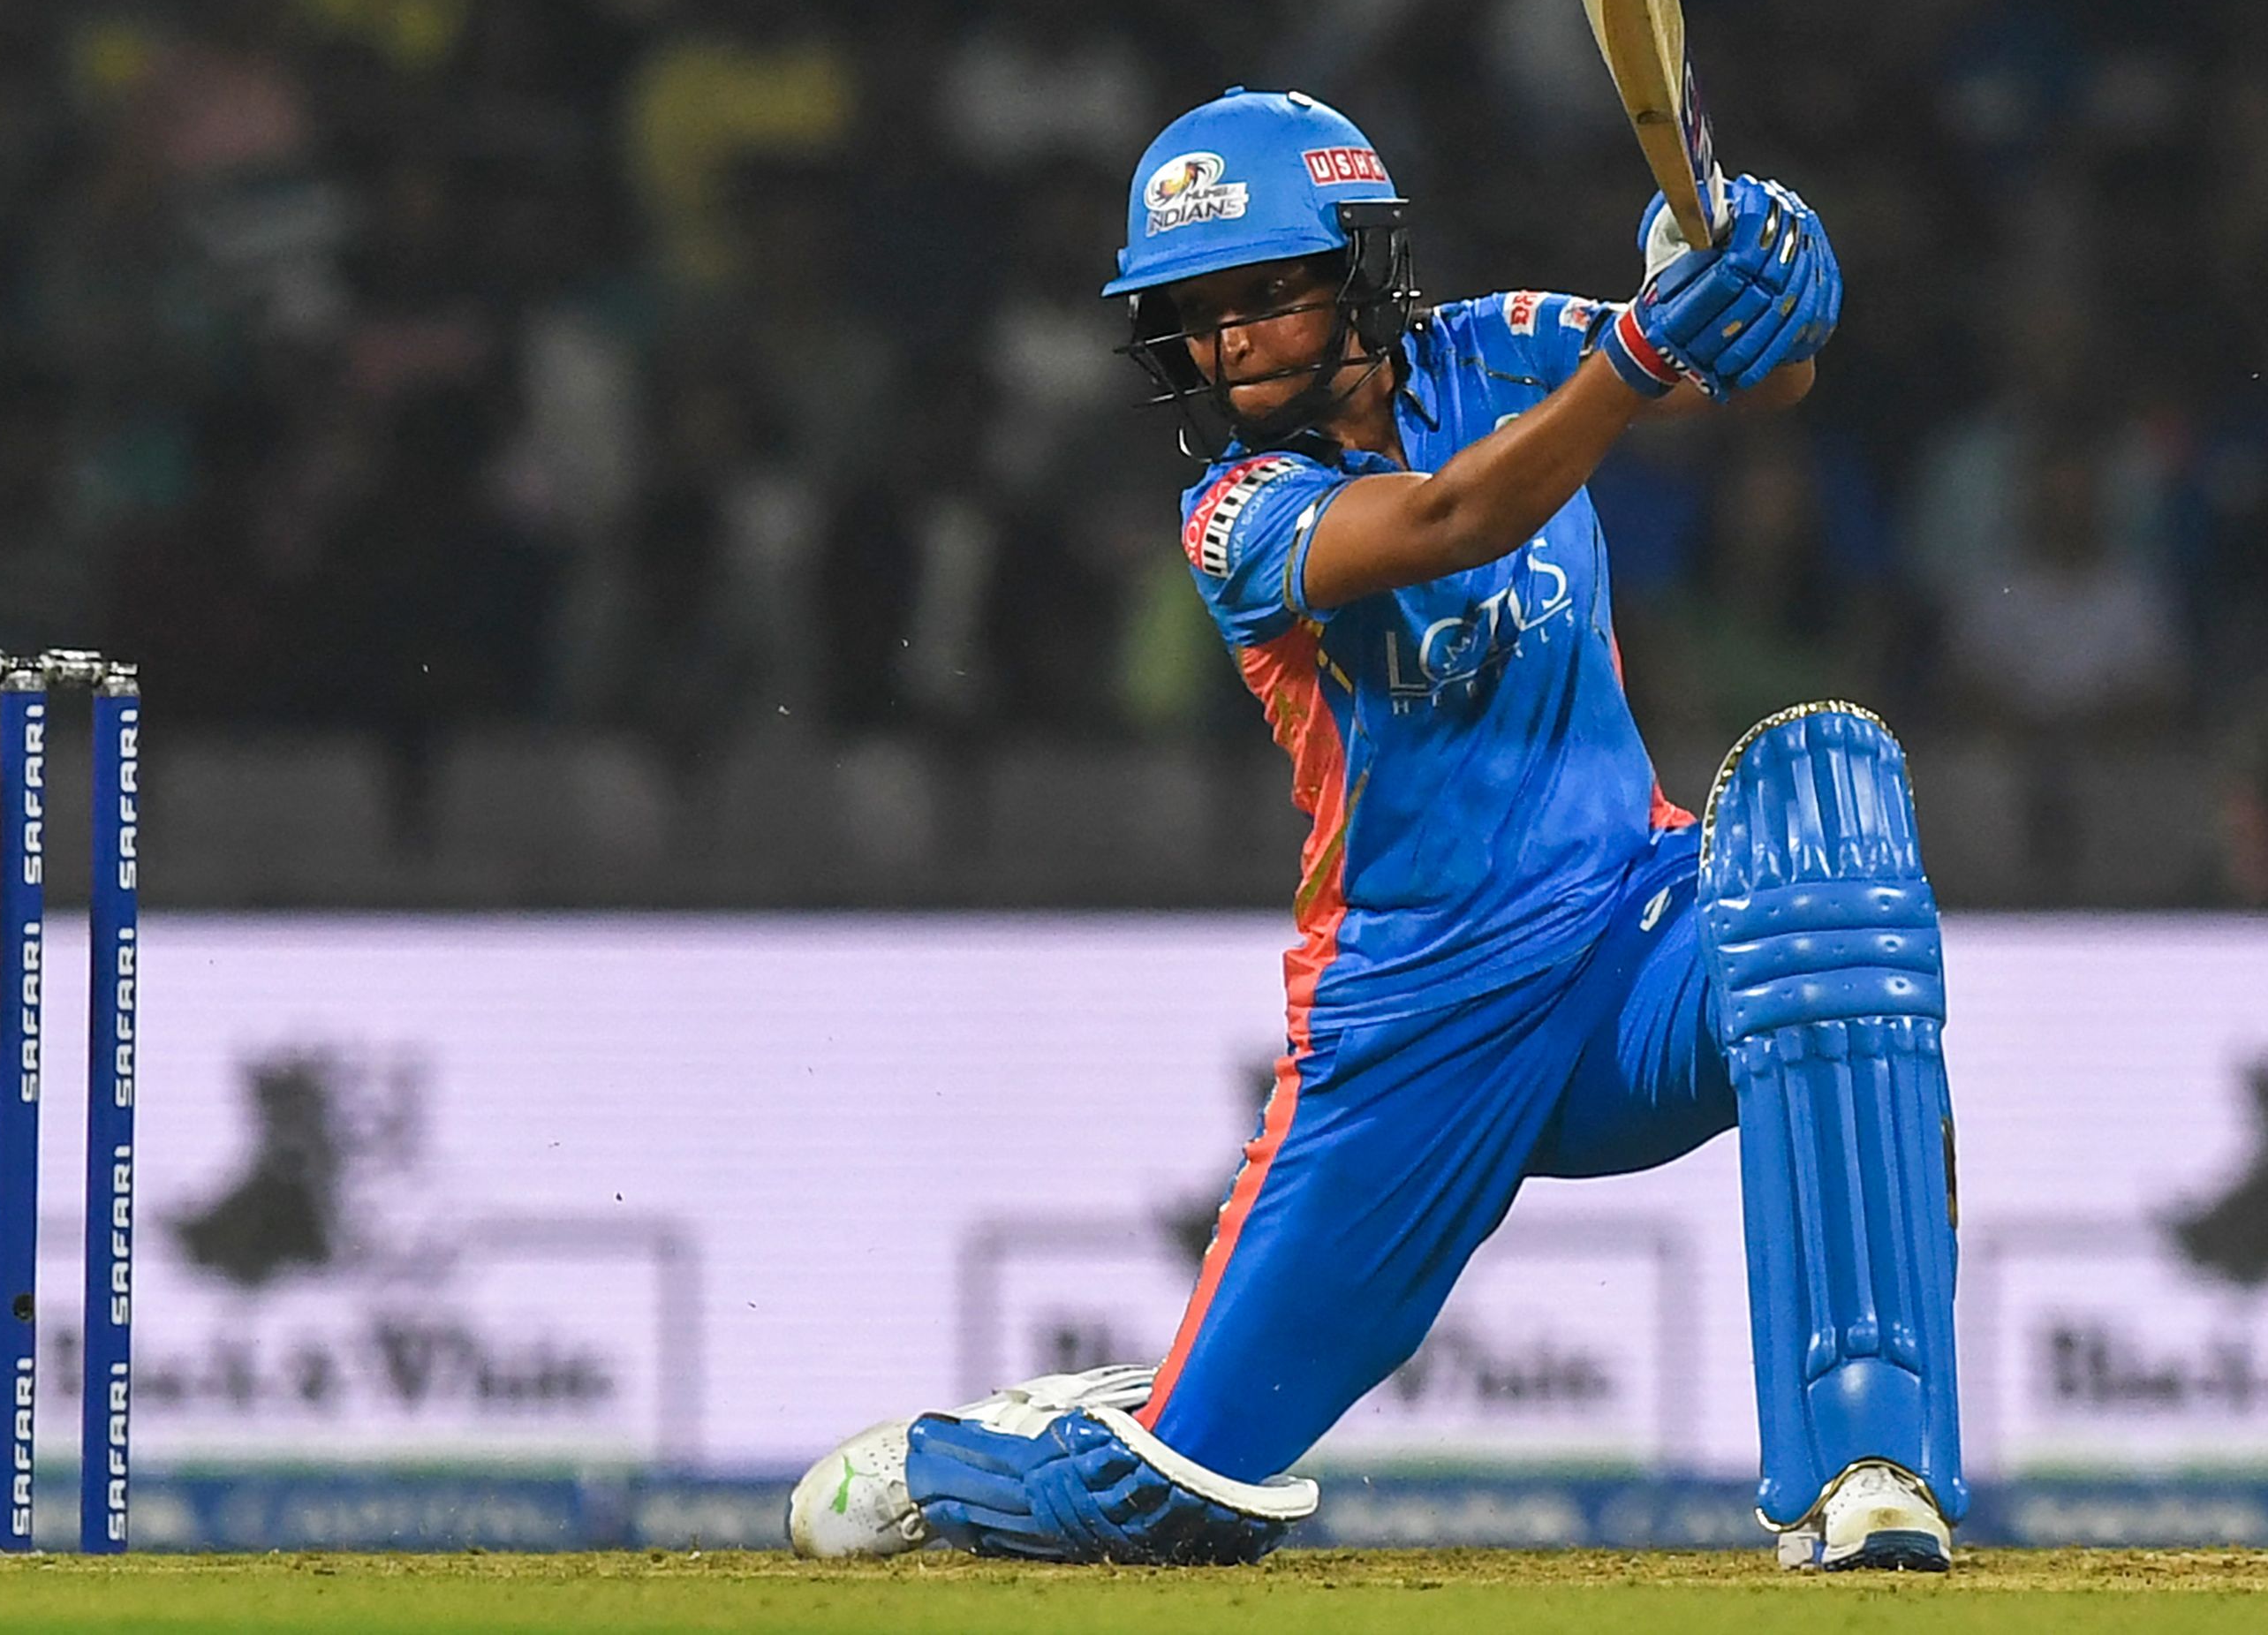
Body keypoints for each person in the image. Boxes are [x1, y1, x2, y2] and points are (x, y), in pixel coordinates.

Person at [789, 90, 1963, 1571]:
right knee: (1174, 1503)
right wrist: (1648, 343)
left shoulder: (1498, 347)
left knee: (1827, 821)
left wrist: (1763, 274)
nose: (1231, 344)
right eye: (1196, 315)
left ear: (1360, 268)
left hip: (1631, 943)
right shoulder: (1237, 510)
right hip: (1411, 1025)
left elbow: (1764, 381)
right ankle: (982, 1452)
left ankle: (1867, 1468)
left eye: (1263, 294)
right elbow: (1452, 520)